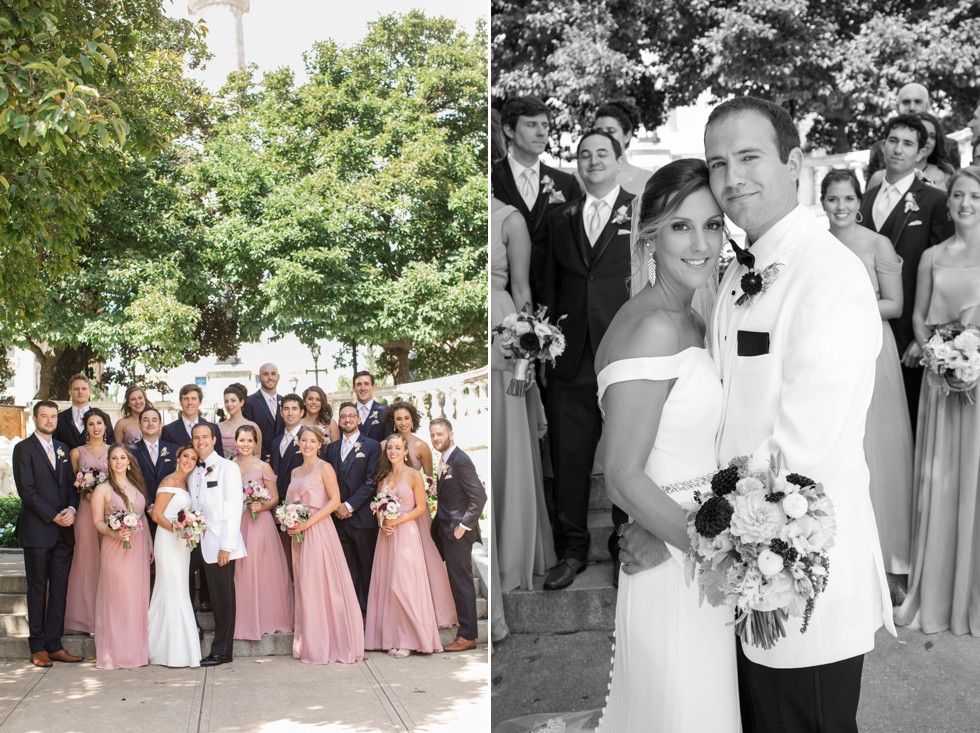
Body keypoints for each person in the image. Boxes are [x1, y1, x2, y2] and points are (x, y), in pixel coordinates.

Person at [698, 95, 891, 732]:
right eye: (718, 163)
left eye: (750, 157)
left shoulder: (830, 274)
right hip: (742, 564)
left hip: (801, 570)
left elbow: (803, 445)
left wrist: (705, 519)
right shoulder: (735, 270)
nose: (732, 179)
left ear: (795, 162)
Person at [592, 158, 737, 732]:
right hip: (679, 563)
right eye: (682, 226)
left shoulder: (694, 318)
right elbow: (623, 474)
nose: (700, 243)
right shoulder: (651, 326)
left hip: (692, 545)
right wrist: (718, 556)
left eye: (713, 225)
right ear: (650, 234)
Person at [538, 129, 635, 590]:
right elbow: (547, 287)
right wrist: (543, 349)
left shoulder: (640, 210)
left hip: (626, 353)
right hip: (569, 358)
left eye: (602, 153)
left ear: (619, 159)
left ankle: (625, 547)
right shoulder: (559, 217)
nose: (593, 160)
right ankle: (571, 551)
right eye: (584, 155)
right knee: (569, 458)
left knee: (625, 456)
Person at [896, 166, 980, 636]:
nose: (966, 204)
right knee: (943, 486)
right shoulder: (931, 256)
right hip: (942, 385)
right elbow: (918, 318)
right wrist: (941, 355)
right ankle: (939, 589)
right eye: (959, 196)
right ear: (948, 204)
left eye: (974, 196)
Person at [822, 169, 914, 586]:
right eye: (832, 199)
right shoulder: (816, 246)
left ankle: (892, 562)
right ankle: (846, 558)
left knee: (879, 448)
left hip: (873, 349)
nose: (840, 207)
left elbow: (894, 304)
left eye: (847, 199)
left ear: (859, 202)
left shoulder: (879, 244)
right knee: (842, 447)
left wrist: (848, 310)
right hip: (828, 354)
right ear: (822, 202)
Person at [859, 114, 955, 429]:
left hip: (908, 337)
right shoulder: (865, 199)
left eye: (908, 143)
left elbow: (943, 272)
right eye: (893, 141)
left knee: (908, 421)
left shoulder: (935, 201)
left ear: (920, 152)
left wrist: (923, 336)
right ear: (883, 145)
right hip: (866, 329)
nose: (899, 149)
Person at [490, 196, 556, 594]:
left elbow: (521, 285)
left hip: (505, 331)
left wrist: (528, 349)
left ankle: (513, 555)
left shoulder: (510, 219)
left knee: (510, 434)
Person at [365, 433, 456, 657]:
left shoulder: (414, 475)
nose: (393, 451)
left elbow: (421, 508)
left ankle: (409, 639)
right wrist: (382, 523)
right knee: (388, 587)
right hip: (387, 536)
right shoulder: (383, 477)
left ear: (406, 451)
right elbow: (378, 507)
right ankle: (392, 637)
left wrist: (399, 519)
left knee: (403, 585)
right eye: (390, 448)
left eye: (397, 448)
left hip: (406, 533)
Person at [285, 425, 364, 664]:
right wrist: (289, 521)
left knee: (320, 585)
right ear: (298, 443)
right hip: (299, 535)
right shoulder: (295, 472)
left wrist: (307, 522)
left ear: (320, 444)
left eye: (312, 441)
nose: (307, 445)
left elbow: (334, 502)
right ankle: (310, 642)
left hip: (318, 531)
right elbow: (290, 502)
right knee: (305, 586)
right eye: (304, 440)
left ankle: (330, 643)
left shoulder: (324, 467)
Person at [13, 400, 82, 668]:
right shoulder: (23, 449)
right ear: (35, 419)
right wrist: (53, 515)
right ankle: (38, 646)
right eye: (45, 416)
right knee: (38, 589)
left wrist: (72, 509)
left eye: (53, 416)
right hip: (38, 532)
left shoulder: (63, 449)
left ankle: (55, 644)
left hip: (64, 532)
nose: (50, 421)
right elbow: (26, 490)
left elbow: (71, 487)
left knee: (60, 590)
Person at [491, 96, 582, 277]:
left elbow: (575, 245)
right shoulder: (491, 178)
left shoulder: (567, 183)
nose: (542, 133)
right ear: (509, 130)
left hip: (555, 293)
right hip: (504, 292)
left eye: (545, 125)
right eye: (532, 125)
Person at [188, 423, 246, 666]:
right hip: (196, 543)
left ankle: (222, 651)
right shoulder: (192, 471)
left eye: (205, 437)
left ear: (214, 439)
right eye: (196, 437)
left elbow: (234, 509)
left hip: (221, 544)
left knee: (223, 600)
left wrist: (226, 546)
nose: (200, 441)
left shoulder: (228, 468)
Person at [91, 443, 151, 669]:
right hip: (114, 548)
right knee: (117, 599)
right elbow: (97, 521)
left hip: (138, 548)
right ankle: (114, 654)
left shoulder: (137, 485)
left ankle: (135, 653)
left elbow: (142, 516)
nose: (118, 462)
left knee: (136, 599)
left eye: (122, 458)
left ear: (128, 461)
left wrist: (150, 543)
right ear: (109, 462)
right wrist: (114, 532)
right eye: (114, 458)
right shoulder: (103, 489)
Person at [429, 418, 486, 652]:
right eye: (433, 435)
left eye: (440, 434)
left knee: (462, 583)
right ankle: (466, 632)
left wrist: (463, 527)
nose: (436, 439)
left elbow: (479, 498)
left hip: (458, 533)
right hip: (447, 531)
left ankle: (467, 635)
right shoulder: (445, 459)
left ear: (451, 434)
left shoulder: (460, 460)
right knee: (457, 581)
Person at [233, 425, 293, 640]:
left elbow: (275, 497)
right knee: (240, 570)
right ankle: (244, 620)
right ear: (236, 442)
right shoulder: (229, 466)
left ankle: (268, 617)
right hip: (237, 522)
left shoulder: (264, 467)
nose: (245, 444)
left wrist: (261, 505)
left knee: (260, 568)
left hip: (259, 523)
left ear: (255, 443)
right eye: (242, 440)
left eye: (250, 440)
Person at [325, 402, 381, 616]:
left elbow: (371, 481)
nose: (347, 420)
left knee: (366, 568)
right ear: (339, 422)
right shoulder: (331, 449)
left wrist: (349, 506)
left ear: (359, 419)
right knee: (346, 569)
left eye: (351, 416)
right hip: (337, 520)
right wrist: (336, 507)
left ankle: (368, 614)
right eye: (343, 416)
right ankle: (351, 613)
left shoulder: (372, 446)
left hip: (362, 518)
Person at [148, 444, 202, 667]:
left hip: (182, 544)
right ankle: (161, 649)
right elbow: (157, 515)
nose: (189, 460)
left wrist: (188, 531)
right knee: (171, 590)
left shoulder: (186, 483)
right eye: (185, 456)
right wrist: (180, 530)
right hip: (168, 540)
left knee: (179, 589)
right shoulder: (169, 481)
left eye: (193, 458)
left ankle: (180, 647)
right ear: (178, 458)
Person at [64, 407, 112, 635]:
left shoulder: (115, 451)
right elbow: (70, 485)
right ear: (86, 427)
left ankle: (108, 616)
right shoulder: (77, 452)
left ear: (105, 426)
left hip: (109, 512)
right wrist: (84, 491)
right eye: (91, 424)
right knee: (87, 562)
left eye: (99, 423)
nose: (95, 428)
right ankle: (88, 619)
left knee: (109, 561)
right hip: (85, 511)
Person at [866, 82, 961, 181]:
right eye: (906, 102)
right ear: (897, 107)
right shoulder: (879, 149)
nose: (912, 108)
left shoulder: (949, 146)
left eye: (917, 102)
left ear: (927, 106)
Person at [867, 111, 957, 192]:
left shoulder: (946, 175)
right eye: (923, 135)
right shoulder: (880, 177)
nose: (927, 140)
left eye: (932, 136)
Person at [131, 407, 179, 527]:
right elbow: (130, 481)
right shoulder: (130, 451)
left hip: (169, 511)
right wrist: (148, 505)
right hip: (141, 513)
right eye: (146, 420)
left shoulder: (174, 450)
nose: (150, 423)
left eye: (154, 420)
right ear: (139, 424)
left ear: (160, 424)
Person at [593, 100, 653, 195]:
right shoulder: (580, 178)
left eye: (611, 131)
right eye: (598, 131)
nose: (603, 136)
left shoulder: (648, 180)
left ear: (627, 136)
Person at [54, 373, 116, 449]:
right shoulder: (59, 418)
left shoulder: (103, 417)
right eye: (76, 389)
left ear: (89, 392)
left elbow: (111, 446)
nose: (80, 392)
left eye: (84, 389)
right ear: (70, 392)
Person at [161, 383, 224, 457]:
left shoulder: (213, 428)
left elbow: (219, 457)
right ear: (180, 402)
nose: (189, 403)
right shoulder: (168, 430)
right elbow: (166, 460)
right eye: (186, 399)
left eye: (193, 399)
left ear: (200, 401)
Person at [242, 363, 284, 463]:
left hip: (283, 459)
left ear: (278, 377)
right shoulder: (249, 402)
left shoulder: (285, 401)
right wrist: (264, 456)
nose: (270, 377)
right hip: (260, 460)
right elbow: (249, 432)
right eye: (265, 374)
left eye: (273, 374)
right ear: (259, 378)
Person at [381, 400, 434, 477]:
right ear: (393, 421)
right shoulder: (383, 445)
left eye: (407, 418)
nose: (403, 423)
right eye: (399, 419)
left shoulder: (422, 446)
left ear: (412, 419)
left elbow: (429, 480)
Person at [269, 393, 306, 504]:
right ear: (281, 413)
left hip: (301, 504)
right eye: (286, 409)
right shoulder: (275, 442)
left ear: (302, 412)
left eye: (294, 409)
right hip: (278, 505)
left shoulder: (309, 438)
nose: (290, 413)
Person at [219, 383, 262, 459]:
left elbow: (257, 455)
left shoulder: (253, 427)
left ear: (241, 402)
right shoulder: (218, 427)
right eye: (226, 401)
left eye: (233, 400)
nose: (229, 404)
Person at [352, 371, 387, 442]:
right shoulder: (347, 413)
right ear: (353, 388)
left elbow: (390, 439)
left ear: (373, 387)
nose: (363, 388)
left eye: (366, 384)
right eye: (359, 384)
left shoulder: (385, 411)